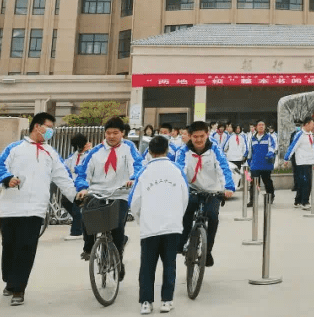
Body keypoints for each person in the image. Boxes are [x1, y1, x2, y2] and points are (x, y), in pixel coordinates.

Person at [0, 111, 76, 306]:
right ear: (37, 126)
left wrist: (76, 196)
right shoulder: (14, 148)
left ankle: (19, 288)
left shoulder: (51, 153)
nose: (51, 132)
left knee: (27, 248)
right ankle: (10, 281)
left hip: (35, 209)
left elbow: (63, 178)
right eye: (49, 127)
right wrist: (7, 178)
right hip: (10, 208)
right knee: (10, 247)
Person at [75, 116, 143, 275]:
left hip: (120, 193)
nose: (111, 136)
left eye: (115, 133)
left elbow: (138, 165)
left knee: (117, 228)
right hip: (97, 192)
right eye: (108, 133)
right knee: (86, 213)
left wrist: (132, 179)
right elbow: (82, 173)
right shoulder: (95, 151)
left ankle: (118, 258)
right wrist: (83, 188)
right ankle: (89, 246)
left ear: (122, 133)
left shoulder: (129, 148)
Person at [130, 135, 189, 315]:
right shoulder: (177, 170)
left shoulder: (144, 172)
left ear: (149, 151)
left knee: (147, 266)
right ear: (167, 150)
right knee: (169, 264)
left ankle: (146, 302)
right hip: (172, 225)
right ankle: (167, 301)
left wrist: (141, 219)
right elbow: (185, 196)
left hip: (150, 227)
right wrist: (178, 216)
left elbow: (134, 201)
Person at [175, 120, 235, 267]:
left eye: (202, 136)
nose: (199, 140)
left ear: (207, 134)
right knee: (186, 214)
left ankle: (207, 251)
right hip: (192, 189)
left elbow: (224, 168)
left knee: (213, 217)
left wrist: (228, 187)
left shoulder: (215, 150)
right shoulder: (183, 151)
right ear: (190, 136)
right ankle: (182, 242)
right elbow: (179, 171)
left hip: (212, 191)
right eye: (195, 137)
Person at [285, 116, 314, 208]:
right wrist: (286, 158)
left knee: (304, 182)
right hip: (302, 162)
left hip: (311, 161)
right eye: (312, 124)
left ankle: (298, 200)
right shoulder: (299, 134)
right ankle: (304, 202)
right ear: (306, 124)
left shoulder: (312, 134)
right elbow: (292, 147)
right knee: (306, 182)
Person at [62, 133, 92, 240]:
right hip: (73, 185)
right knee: (65, 201)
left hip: (84, 186)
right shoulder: (73, 155)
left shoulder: (89, 155)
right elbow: (65, 165)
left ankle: (76, 232)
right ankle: (82, 222)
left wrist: (75, 169)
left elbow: (85, 169)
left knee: (76, 207)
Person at [247, 121, 277, 206]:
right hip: (255, 165)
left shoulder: (269, 137)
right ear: (256, 127)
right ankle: (253, 200)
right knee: (254, 183)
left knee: (267, 182)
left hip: (266, 164)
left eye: (263, 125)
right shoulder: (252, 138)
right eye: (259, 125)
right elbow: (250, 150)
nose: (261, 126)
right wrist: (249, 160)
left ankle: (270, 197)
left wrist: (270, 154)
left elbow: (272, 147)